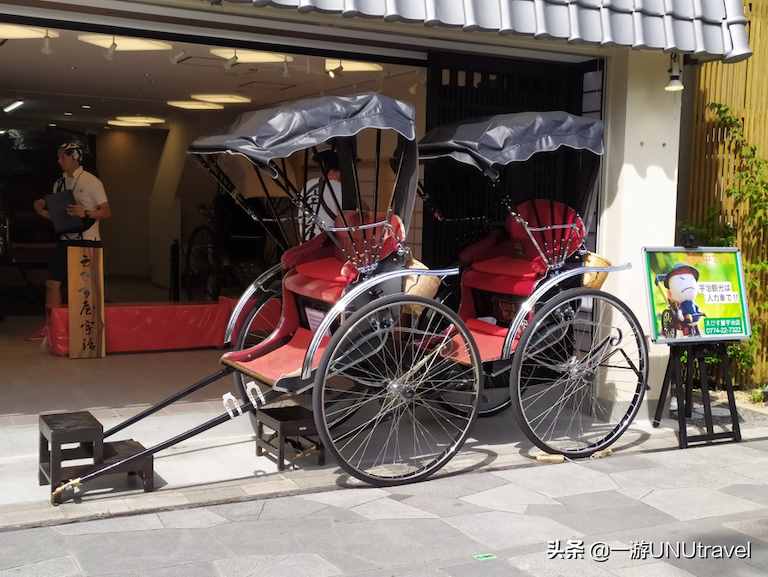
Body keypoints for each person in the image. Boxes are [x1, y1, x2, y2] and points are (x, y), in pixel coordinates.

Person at [30, 142, 110, 336]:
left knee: (85, 288)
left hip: (87, 240)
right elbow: (59, 216)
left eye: (62, 157)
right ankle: (51, 325)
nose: (59, 161)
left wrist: (87, 212)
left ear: (75, 157)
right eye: (58, 157)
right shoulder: (59, 183)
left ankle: (88, 328)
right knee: (52, 283)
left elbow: (106, 212)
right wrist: (41, 210)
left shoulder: (91, 181)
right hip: (65, 239)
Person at [300, 149, 342, 238]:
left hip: (305, 243)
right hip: (326, 244)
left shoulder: (308, 184)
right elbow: (348, 217)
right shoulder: (338, 187)